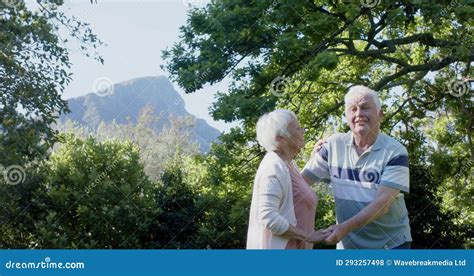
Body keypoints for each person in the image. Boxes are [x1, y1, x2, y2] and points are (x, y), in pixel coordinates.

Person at [302, 85, 412, 249]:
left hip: (390, 246)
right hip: (348, 246)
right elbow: (300, 183)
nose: (359, 114)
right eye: (353, 109)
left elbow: (382, 204)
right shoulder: (332, 146)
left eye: (365, 108)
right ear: (346, 116)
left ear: (380, 114)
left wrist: (344, 228)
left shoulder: (395, 151)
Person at [246, 109, 329, 249]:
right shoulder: (272, 169)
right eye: (297, 128)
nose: (303, 130)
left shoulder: (288, 164)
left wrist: (314, 159)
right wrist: (307, 236)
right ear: (281, 138)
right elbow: (268, 217)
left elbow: (295, 190)